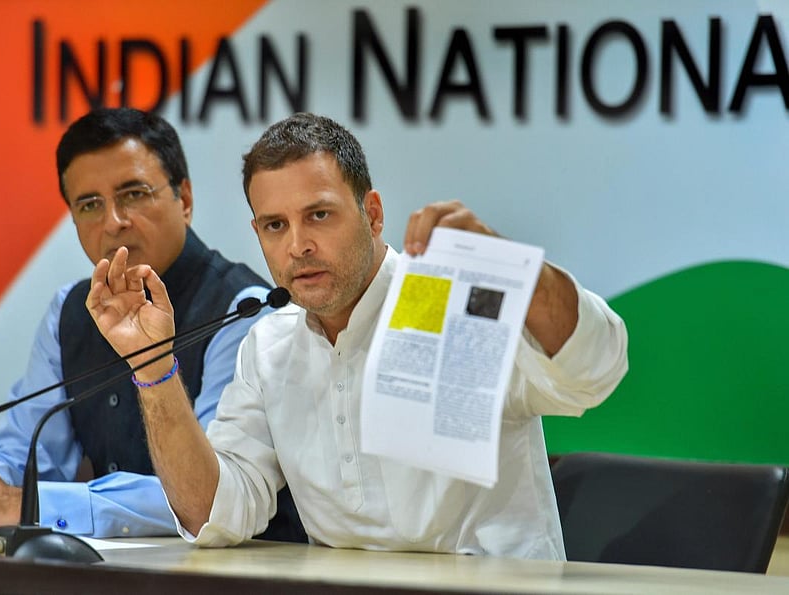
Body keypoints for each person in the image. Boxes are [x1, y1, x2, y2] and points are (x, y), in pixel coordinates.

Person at [85, 112, 628, 557]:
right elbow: (216, 515)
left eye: (319, 215)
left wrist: (514, 269)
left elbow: (594, 371)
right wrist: (153, 367)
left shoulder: (450, 300)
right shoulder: (270, 346)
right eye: (275, 225)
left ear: (372, 214)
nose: (297, 245)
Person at [0, 108, 305, 542]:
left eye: (134, 194)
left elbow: (213, 496)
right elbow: (23, 447)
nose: (113, 222)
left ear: (184, 199)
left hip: (246, 571)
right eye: (89, 205)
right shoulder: (69, 311)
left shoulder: (246, 311)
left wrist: (24, 505)